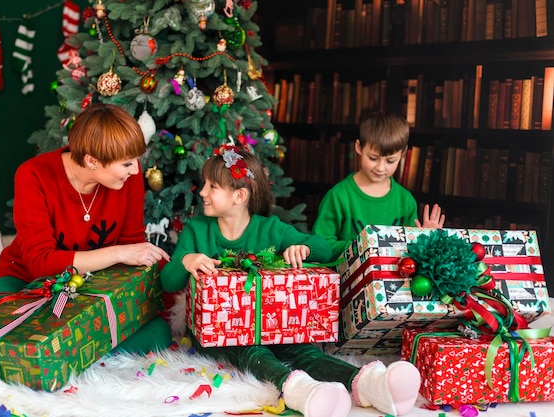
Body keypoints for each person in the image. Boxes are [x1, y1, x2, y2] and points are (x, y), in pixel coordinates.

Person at [160, 145, 421, 417]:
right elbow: (168, 282)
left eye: (212, 186)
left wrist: (304, 249)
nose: (202, 192)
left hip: (272, 325)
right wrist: (186, 260)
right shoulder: (196, 230)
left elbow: (323, 247)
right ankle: (298, 390)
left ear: (239, 196)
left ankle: (370, 384)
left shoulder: (270, 228)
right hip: (218, 335)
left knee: (303, 350)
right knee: (251, 351)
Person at [0, 103, 171, 365]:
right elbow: (40, 263)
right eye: (126, 164)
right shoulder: (34, 175)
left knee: (158, 332)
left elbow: (132, 246)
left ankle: (46, 355)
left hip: (91, 285)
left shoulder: (127, 179)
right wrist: (117, 252)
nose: (136, 170)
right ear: (92, 161)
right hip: (24, 279)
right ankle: (53, 354)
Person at [313, 111, 446, 260]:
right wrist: (361, 246)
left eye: (390, 161)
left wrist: (425, 238)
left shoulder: (406, 200)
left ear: (402, 154)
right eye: (373, 158)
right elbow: (321, 244)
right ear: (358, 147)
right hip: (349, 280)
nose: (380, 168)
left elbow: (411, 252)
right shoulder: (338, 196)